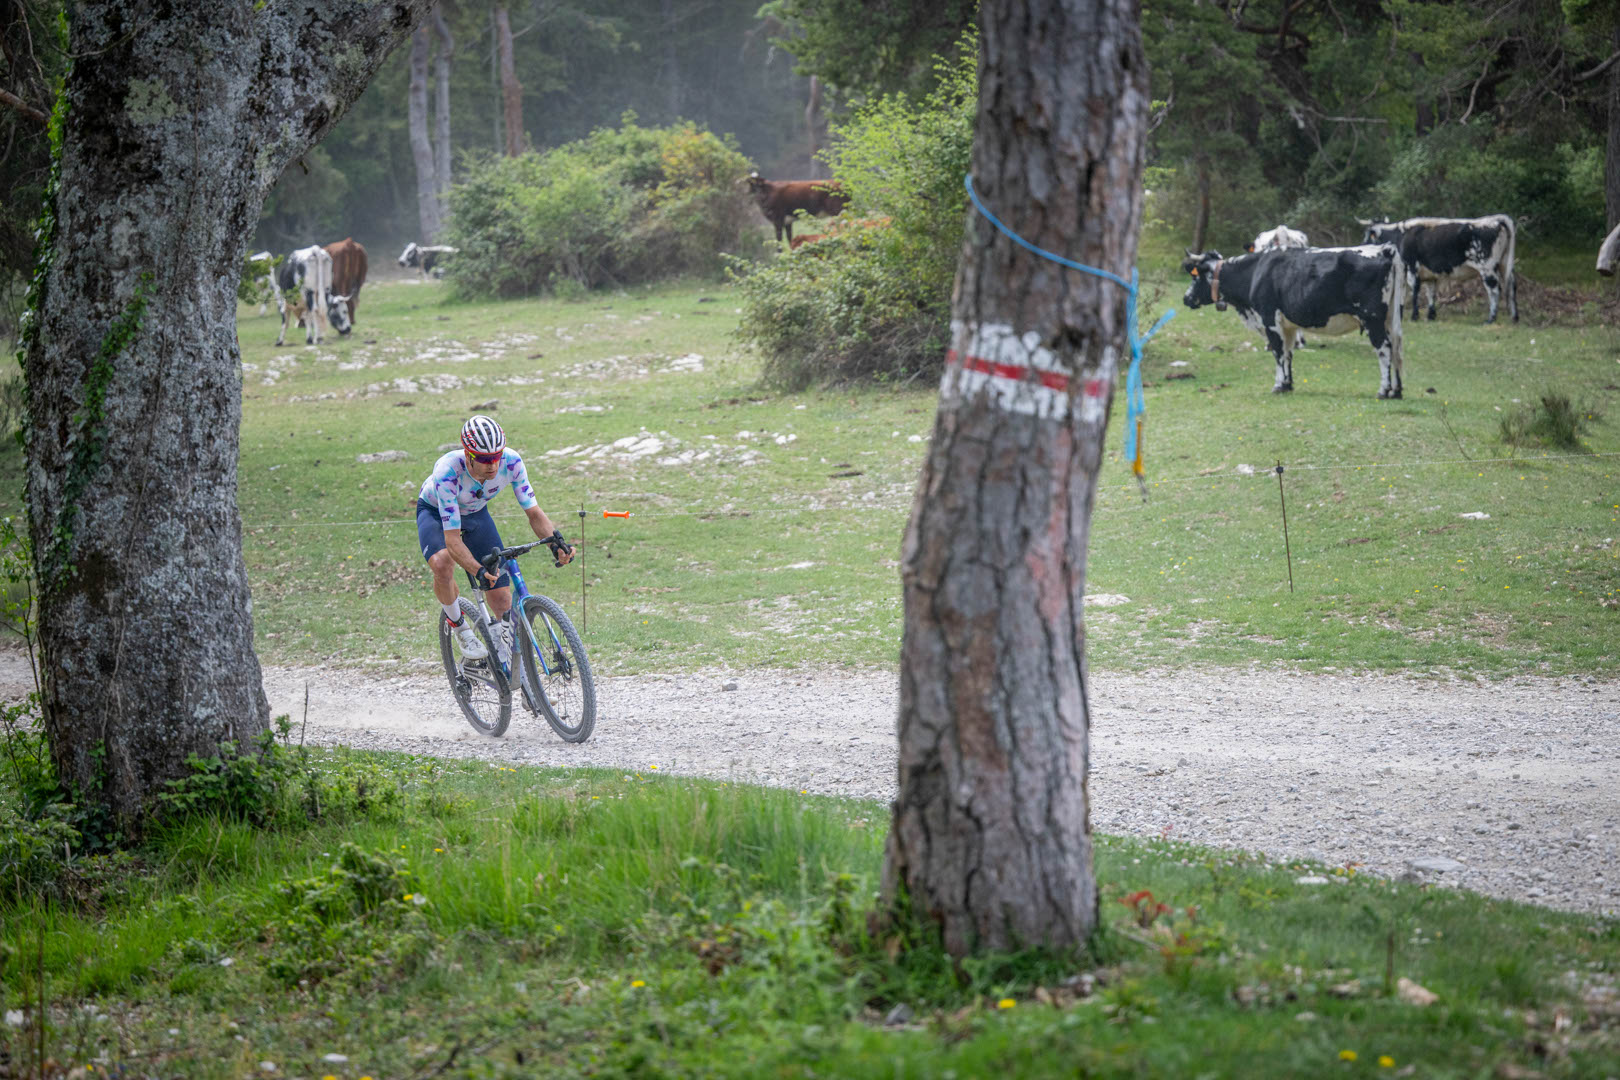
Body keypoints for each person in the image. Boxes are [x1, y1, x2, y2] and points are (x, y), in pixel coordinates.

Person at [417, 415, 573, 661]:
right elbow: (452, 539)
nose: (492, 465)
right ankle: (460, 628)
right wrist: (477, 570)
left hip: (476, 513)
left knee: (501, 598)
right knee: (442, 563)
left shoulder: (511, 462)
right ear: (468, 455)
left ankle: (510, 665)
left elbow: (534, 513)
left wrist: (556, 545)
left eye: (496, 457)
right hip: (435, 513)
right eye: (484, 459)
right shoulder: (448, 472)